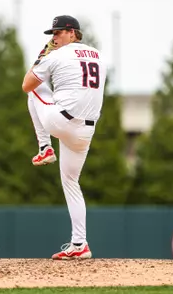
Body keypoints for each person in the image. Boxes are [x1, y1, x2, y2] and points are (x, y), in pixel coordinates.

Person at [22, 15, 107, 260]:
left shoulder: (55, 56)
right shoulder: (99, 56)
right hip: (86, 131)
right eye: (52, 33)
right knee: (72, 183)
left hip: (61, 121)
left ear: (72, 32)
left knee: (34, 89)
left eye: (58, 32)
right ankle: (80, 244)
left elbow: (27, 84)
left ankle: (45, 146)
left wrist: (41, 57)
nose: (53, 37)